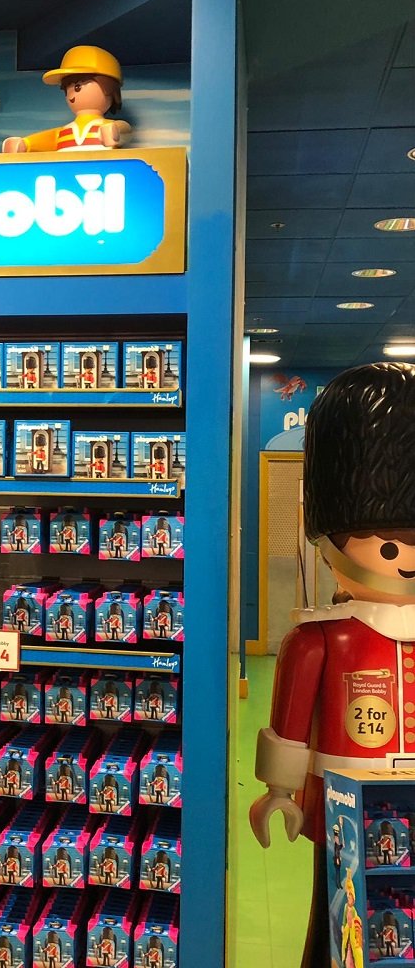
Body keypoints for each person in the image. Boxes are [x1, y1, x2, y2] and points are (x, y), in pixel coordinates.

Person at [250, 362, 415, 968]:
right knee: (338, 919)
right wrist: (278, 790)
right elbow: (290, 725)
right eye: (388, 545)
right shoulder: (321, 638)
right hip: (344, 800)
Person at [3, 46, 130, 154]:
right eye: (67, 89)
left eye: (77, 87)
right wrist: (25, 144)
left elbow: (124, 130)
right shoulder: (64, 131)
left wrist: (115, 132)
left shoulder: (107, 125)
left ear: (108, 86)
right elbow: (49, 138)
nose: (71, 95)